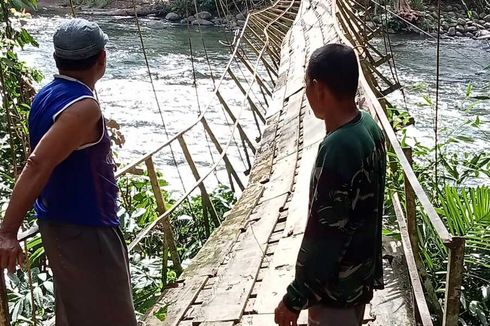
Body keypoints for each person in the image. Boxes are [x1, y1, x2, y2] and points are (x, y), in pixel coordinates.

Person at [0, 18, 137, 326]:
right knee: (112, 318)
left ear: (57, 59)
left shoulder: (46, 94)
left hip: (63, 224)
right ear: (102, 59)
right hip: (86, 229)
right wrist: (7, 231)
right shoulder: (84, 107)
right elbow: (38, 163)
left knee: (77, 314)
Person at [274, 44, 387, 326]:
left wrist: (294, 298)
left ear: (319, 88)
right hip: (358, 282)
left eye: (306, 85)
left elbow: (326, 234)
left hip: (335, 291)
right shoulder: (368, 126)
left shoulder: (339, 147)